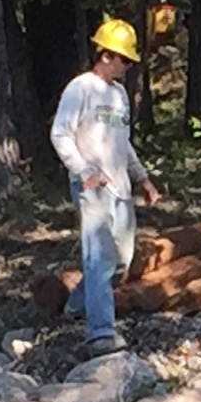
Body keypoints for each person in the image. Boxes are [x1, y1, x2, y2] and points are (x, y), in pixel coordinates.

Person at [51, 18, 161, 352]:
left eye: (129, 60)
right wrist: (83, 170)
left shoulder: (120, 95)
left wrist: (143, 178)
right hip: (91, 188)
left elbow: (123, 142)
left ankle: (77, 304)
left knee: (121, 260)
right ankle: (100, 333)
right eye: (123, 59)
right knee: (98, 258)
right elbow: (60, 134)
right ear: (105, 55)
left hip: (120, 188)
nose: (126, 65)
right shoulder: (80, 88)